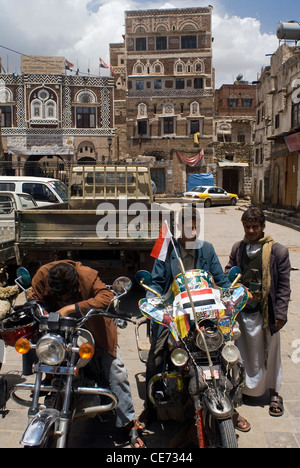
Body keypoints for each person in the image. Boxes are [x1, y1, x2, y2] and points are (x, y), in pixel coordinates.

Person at [139, 208, 246, 428]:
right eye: (187, 226)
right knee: (156, 355)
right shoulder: (168, 250)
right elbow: (157, 282)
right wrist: (152, 299)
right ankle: (150, 407)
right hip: (175, 312)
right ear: (180, 228)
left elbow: (222, 280)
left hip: (204, 312)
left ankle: (232, 408)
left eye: (195, 226)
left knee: (225, 351)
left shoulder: (207, 249)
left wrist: (234, 292)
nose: (192, 230)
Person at [27, 260, 145, 448]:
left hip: (91, 327)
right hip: (56, 330)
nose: (63, 297)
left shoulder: (87, 275)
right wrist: (38, 309)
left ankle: (128, 422)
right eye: (60, 295)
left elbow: (107, 296)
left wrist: (71, 308)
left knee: (116, 370)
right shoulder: (42, 274)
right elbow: (34, 298)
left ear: (75, 283)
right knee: (35, 350)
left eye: (67, 294)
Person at [225, 207, 291, 417]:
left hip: (267, 313)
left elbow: (283, 287)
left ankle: (273, 393)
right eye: (247, 226)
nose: (251, 230)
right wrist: (238, 288)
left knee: (270, 355)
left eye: (255, 226)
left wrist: (280, 314)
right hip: (243, 313)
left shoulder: (277, 251)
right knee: (243, 353)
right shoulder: (238, 248)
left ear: (263, 227)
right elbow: (229, 273)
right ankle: (244, 389)